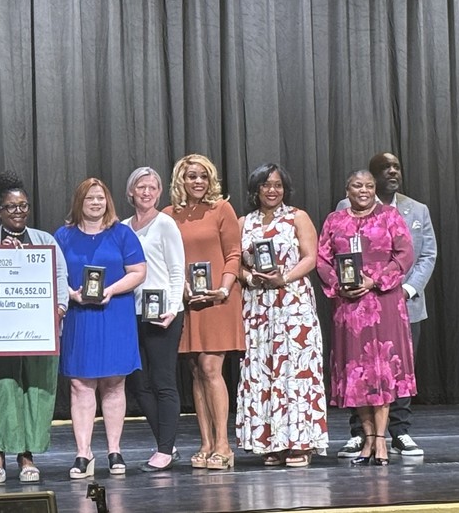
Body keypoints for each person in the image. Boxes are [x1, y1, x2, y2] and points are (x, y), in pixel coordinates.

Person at [335, 153, 437, 458]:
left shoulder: (417, 210)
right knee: (359, 367)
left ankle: (400, 431)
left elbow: (426, 255)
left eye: (396, 168)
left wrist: (405, 289)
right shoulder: (344, 209)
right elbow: (339, 256)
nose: (392, 172)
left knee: (397, 368)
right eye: (385, 169)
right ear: (369, 177)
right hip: (357, 304)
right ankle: (359, 433)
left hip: (402, 302)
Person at [0, 171, 69, 484]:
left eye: (23, 207)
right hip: (0, 333)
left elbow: (60, 281)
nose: (18, 212)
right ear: (0, 210)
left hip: (41, 331)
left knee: (36, 393)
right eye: (12, 208)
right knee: (3, 390)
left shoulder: (44, 240)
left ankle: (27, 455)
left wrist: (59, 309)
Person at [318, 170, 415, 466]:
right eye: (357, 185)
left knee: (382, 368)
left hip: (384, 303)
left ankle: (382, 441)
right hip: (349, 307)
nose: (364, 190)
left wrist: (374, 281)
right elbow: (322, 258)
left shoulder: (390, 216)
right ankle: (368, 438)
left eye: (369, 186)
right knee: (356, 371)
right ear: (346, 189)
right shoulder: (335, 220)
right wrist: (340, 285)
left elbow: (405, 253)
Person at [235, 164, 328, 467]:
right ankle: (270, 443)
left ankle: (300, 442)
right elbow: (233, 262)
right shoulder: (242, 222)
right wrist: (250, 278)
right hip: (257, 308)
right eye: (266, 185)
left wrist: (283, 278)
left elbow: (311, 257)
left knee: (296, 373)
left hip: (293, 305)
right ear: (256, 189)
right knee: (262, 372)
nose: (272, 190)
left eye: (277, 185)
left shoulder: (297, 217)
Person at [55, 178, 146, 478]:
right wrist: (71, 294)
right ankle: (83, 454)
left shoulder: (122, 234)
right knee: (80, 385)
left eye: (101, 198)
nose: (96, 203)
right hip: (80, 316)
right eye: (90, 198)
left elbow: (139, 272)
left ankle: (114, 450)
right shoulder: (63, 236)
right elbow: (53, 274)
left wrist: (111, 289)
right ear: (79, 202)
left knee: (114, 383)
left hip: (114, 314)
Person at [163, 154, 243, 470]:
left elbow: (234, 254)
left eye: (203, 177)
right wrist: (180, 285)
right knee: (196, 370)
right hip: (187, 300)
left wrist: (223, 288)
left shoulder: (222, 209)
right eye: (192, 176)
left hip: (219, 299)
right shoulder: (169, 215)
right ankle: (206, 442)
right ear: (180, 180)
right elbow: (167, 258)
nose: (198, 182)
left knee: (211, 367)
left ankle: (224, 444)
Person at [121, 167, 186, 472]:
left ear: (159, 193)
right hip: (130, 313)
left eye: (152, 187)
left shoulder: (166, 224)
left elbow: (176, 269)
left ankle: (163, 450)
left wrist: (173, 307)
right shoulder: (122, 228)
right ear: (131, 192)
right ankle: (167, 441)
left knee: (163, 382)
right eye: (141, 187)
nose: (146, 192)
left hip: (163, 313)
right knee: (138, 383)